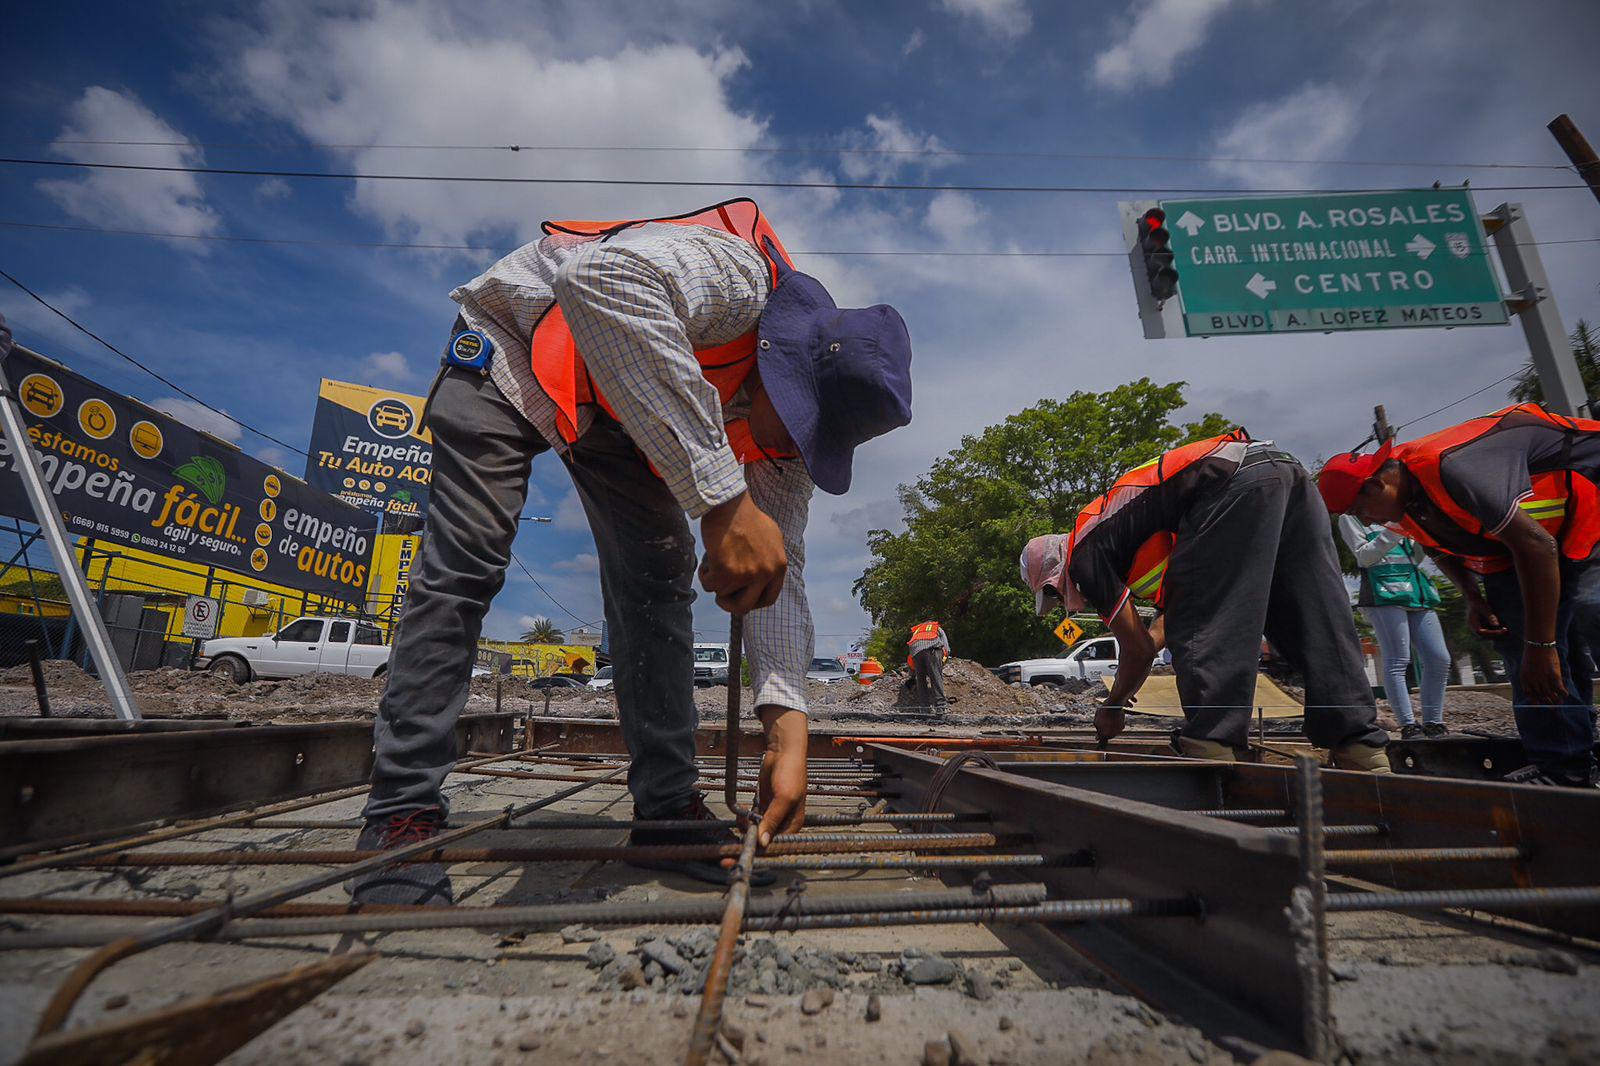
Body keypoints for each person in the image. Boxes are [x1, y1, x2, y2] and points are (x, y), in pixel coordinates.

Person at [354, 199, 913, 902]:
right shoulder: (736, 278)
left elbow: (781, 574)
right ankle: (400, 814)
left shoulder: (783, 456)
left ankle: (665, 811)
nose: (788, 449)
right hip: (513, 347)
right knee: (465, 563)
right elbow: (597, 279)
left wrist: (787, 726)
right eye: (798, 425)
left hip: (619, 407)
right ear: (785, 366)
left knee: (656, 577)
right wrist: (720, 500)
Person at [1021, 431, 1390, 769]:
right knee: (1312, 616)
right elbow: (1169, 621)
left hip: (1231, 485)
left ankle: (1210, 742)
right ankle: (1359, 744)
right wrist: (1133, 670)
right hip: (1285, 476)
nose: (1070, 602)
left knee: (1214, 627)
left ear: (1056, 572)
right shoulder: (1129, 540)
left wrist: (1113, 704)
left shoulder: (1084, 554)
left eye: (1053, 593)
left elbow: (1144, 647)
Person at [1317, 403, 1600, 787]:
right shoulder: (1402, 505)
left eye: (1359, 507)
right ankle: (1566, 763)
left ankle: (1566, 769)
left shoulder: (1453, 468)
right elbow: (1438, 545)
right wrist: (1474, 598)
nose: (1364, 519)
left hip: (1586, 510)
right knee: (1522, 651)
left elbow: (1538, 548)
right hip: (1525, 548)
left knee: (1586, 620)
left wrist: (1542, 645)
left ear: (1377, 483)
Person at [1337, 515, 1451, 739]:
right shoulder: (1350, 518)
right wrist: (1396, 529)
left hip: (1416, 592)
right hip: (1383, 594)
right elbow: (1365, 556)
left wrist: (1419, 534)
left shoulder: (1399, 515)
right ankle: (1408, 724)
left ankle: (1433, 722)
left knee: (1439, 659)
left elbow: (1414, 558)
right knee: (1397, 660)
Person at [906, 620, 950, 713]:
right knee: (936, 677)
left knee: (921, 680)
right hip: (932, 649)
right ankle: (940, 707)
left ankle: (924, 708)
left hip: (915, 652)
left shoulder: (917, 630)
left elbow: (910, 656)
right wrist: (943, 661)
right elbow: (946, 646)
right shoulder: (937, 628)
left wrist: (912, 675)